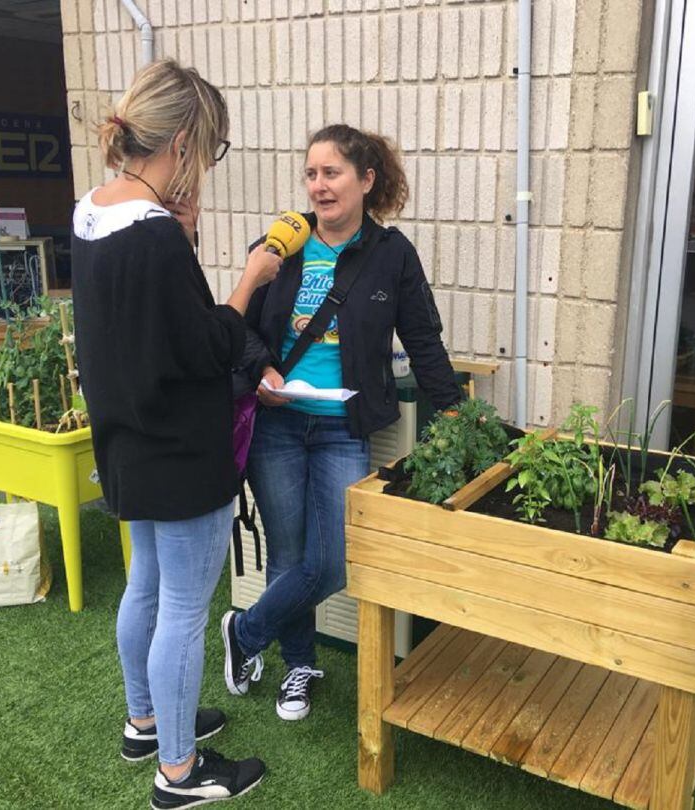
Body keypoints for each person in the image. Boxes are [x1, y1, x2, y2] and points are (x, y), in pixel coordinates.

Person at [71, 59, 280, 809]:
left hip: (126, 439)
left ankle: (146, 722)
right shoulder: (156, 234)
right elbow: (206, 344)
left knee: (146, 589)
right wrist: (250, 276)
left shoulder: (89, 211)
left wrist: (182, 237)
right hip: (182, 449)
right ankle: (181, 773)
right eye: (210, 149)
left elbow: (140, 331)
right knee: (185, 612)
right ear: (185, 141)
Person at [220, 124, 461, 721]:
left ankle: (244, 633)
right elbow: (239, 332)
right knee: (288, 551)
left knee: (331, 562)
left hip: (340, 427)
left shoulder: (391, 254)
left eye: (332, 173)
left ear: (366, 180)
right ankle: (297, 666)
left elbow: (423, 340)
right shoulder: (279, 246)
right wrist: (265, 371)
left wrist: (456, 412)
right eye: (311, 174)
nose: (319, 186)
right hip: (276, 426)